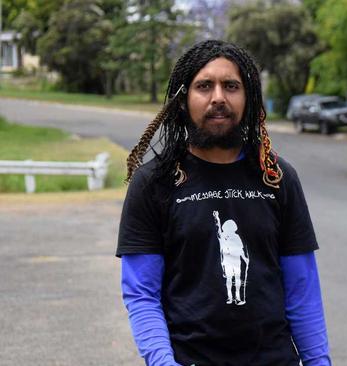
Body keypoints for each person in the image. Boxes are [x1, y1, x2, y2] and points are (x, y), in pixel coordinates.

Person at [116, 39, 330, 366]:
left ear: (249, 98)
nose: (218, 97)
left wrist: (319, 362)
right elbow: (142, 293)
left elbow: (302, 290)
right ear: (183, 100)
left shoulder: (277, 177)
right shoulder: (154, 183)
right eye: (204, 86)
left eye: (231, 86)